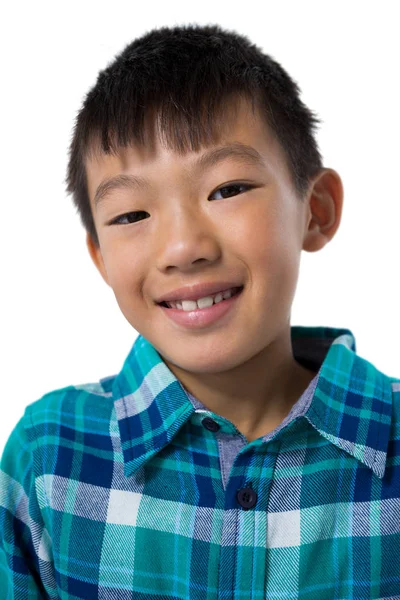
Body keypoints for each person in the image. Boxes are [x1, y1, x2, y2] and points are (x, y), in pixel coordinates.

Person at [1, 22, 399, 600]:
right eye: (132, 215)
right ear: (101, 259)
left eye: (227, 189)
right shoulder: (48, 459)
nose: (185, 247)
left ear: (315, 210)